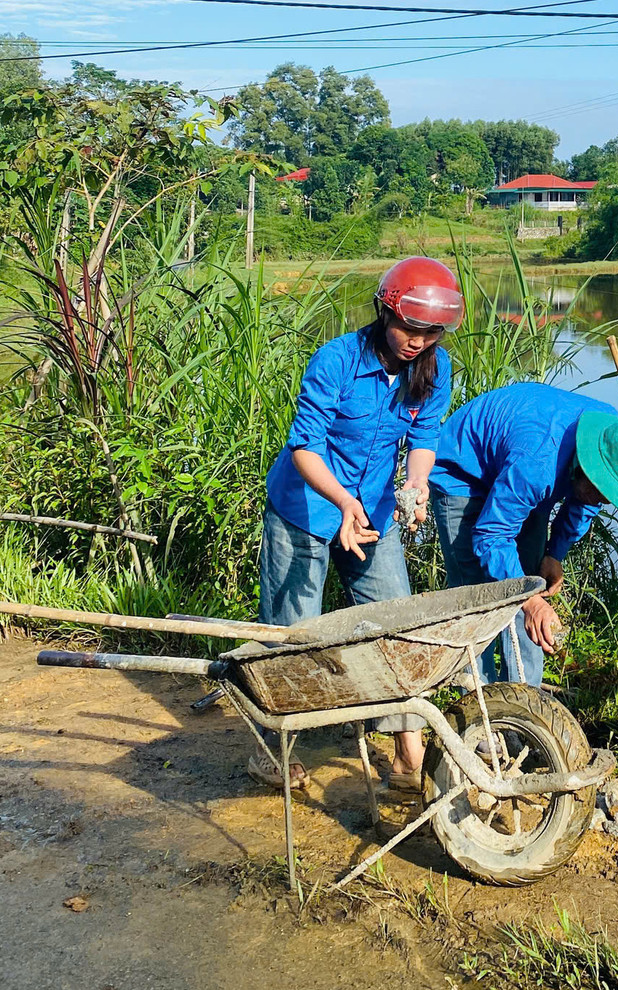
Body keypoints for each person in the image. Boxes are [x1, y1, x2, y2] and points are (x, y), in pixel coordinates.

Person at [254, 256, 460, 793]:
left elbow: (424, 437)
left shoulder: (435, 368)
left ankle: (407, 754)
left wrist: (415, 487)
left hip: (373, 511)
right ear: (384, 311)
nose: (418, 342)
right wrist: (343, 503)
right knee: (294, 633)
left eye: (431, 333)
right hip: (305, 507)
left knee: (396, 626)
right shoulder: (337, 360)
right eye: (410, 328)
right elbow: (305, 447)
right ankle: (273, 750)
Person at [430, 383, 618, 687]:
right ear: (586, 466)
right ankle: (478, 701)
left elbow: (585, 502)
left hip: (521, 468)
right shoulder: (538, 464)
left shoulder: (611, 439)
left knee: (531, 586)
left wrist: (554, 553)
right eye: (603, 491)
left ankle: (526, 697)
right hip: (464, 472)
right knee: (474, 600)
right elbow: (491, 535)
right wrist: (529, 600)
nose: (605, 501)